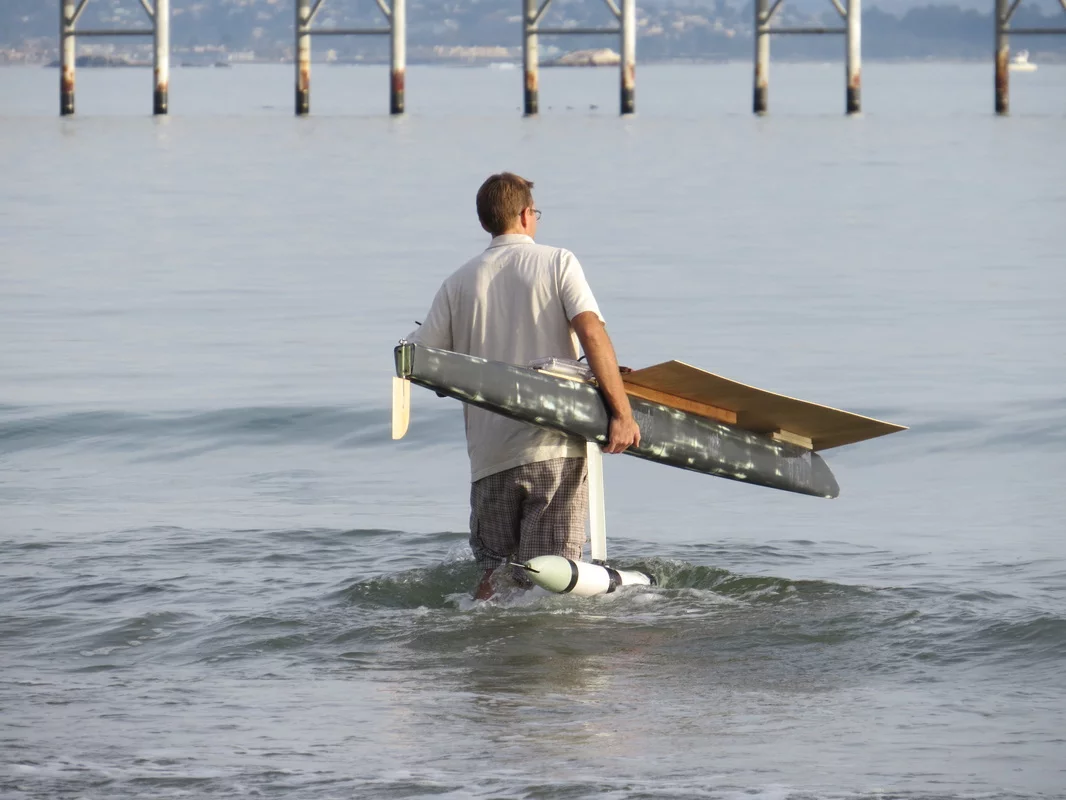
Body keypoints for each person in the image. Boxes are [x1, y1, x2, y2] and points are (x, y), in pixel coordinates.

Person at [408, 172, 640, 600]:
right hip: (552, 447)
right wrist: (621, 413)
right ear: (526, 214)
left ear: (485, 223)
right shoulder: (557, 261)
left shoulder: (457, 282)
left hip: (489, 459)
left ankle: (485, 657)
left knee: (495, 582)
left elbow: (424, 366)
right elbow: (591, 332)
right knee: (548, 585)